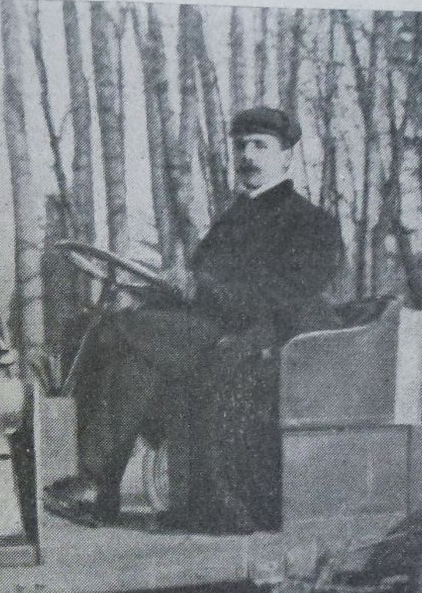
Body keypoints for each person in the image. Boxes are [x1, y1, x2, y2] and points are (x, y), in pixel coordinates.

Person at [45, 105, 344, 528]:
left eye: (260, 146)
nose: (248, 156)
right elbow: (195, 290)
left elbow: (285, 296)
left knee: (127, 334)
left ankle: (97, 482)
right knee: (110, 335)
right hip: (209, 332)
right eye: (241, 146)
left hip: (258, 339)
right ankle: (96, 487)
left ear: (286, 157)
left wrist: (202, 289)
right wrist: (159, 292)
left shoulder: (311, 224)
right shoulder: (232, 220)